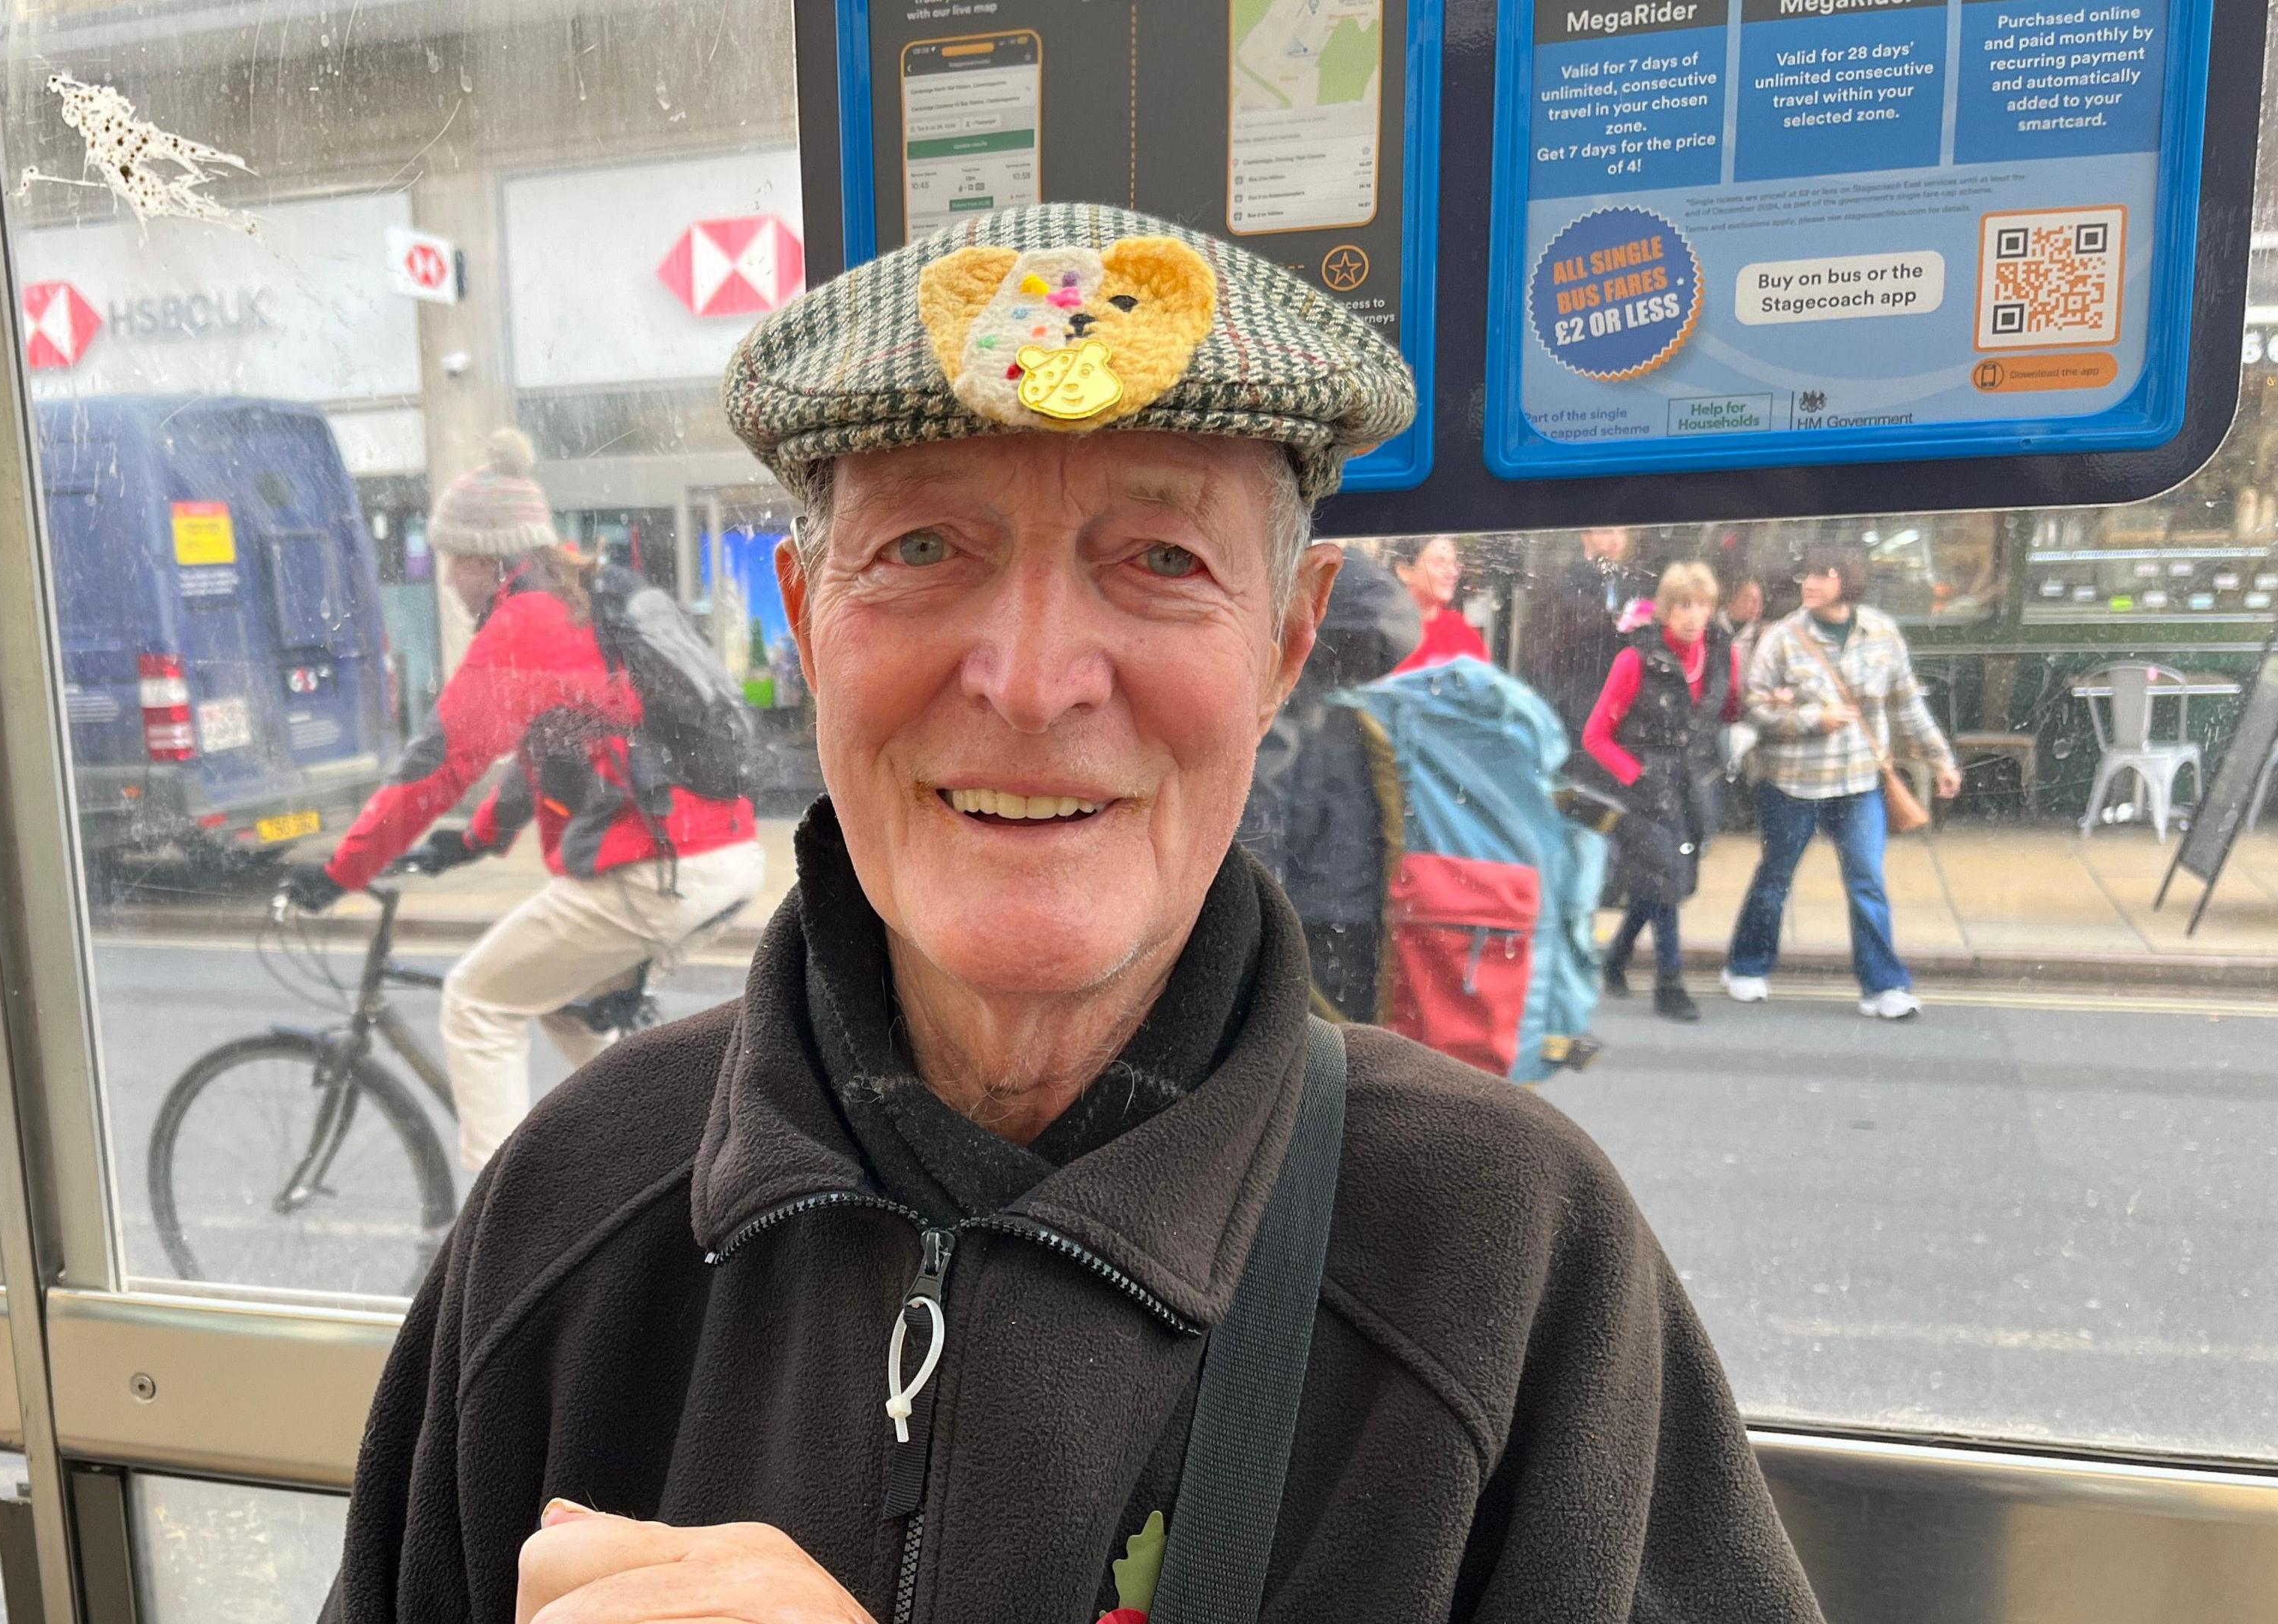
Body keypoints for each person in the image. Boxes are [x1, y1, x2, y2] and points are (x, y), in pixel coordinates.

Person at [321, 205, 1818, 1624]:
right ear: (806, 613)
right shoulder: (572, 1209)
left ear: (1290, 639)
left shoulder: (1507, 1257)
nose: (1033, 682)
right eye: (921, 550)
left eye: (1161, 559)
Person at [281, 429, 765, 1169]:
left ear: (491, 555)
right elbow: (557, 742)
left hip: (658, 870)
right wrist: (474, 839)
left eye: (453, 558)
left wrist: (344, 871)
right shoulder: (590, 594)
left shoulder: (524, 623)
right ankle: (663, 1166)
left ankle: (491, 1228)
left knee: (477, 1003)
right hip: (719, 854)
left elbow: (436, 762)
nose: (446, 577)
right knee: (561, 1002)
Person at [1725, 544, 1961, 1020]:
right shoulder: (1783, 637)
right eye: (1806, 575)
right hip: (1791, 785)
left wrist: (1942, 760)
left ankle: (1884, 986)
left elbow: (1907, 704)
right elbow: (1754, 707)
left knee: (1867, 883)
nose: (1810, 583)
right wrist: (1815, 717)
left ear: (1847, 581)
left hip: (1859, 783)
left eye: (1823, 575)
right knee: (1775, 879)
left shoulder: (1882, 632)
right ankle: (1746, 966)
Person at [1239, 546, 1420, 1018]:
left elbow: (1258, 819)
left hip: (1307, 908)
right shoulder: (1345, 705)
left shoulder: (1284, 708)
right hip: (1361, 900)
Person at [1583, 562, 1739, 1023]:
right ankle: (1670, 985)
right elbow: (1596, 736)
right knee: (1667, 883)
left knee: (1660, 883)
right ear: (1665, 611)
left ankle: (1614, 959)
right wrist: (1638, 776)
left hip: (1689, 787)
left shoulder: (1716, 655)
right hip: (1644, 791)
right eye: (1684, 606)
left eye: (1703, 606)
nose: (1694, 616)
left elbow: (1723, 711)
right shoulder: (1634, 659)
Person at [1517, 524, 1644, 737]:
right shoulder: (1564, 584)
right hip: (1574, 707)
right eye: (1607, 531)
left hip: (1619, 710)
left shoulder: (1632, 586)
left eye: (1622, 532)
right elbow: (1539, 654)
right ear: (1586, 536)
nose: (1616, 540)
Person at [1385, 533, 1486, 672]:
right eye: (1440, 563)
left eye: (1454, 564)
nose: (1452, 572)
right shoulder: (1381, 626)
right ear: (1404, 571)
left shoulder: (1461, 631)